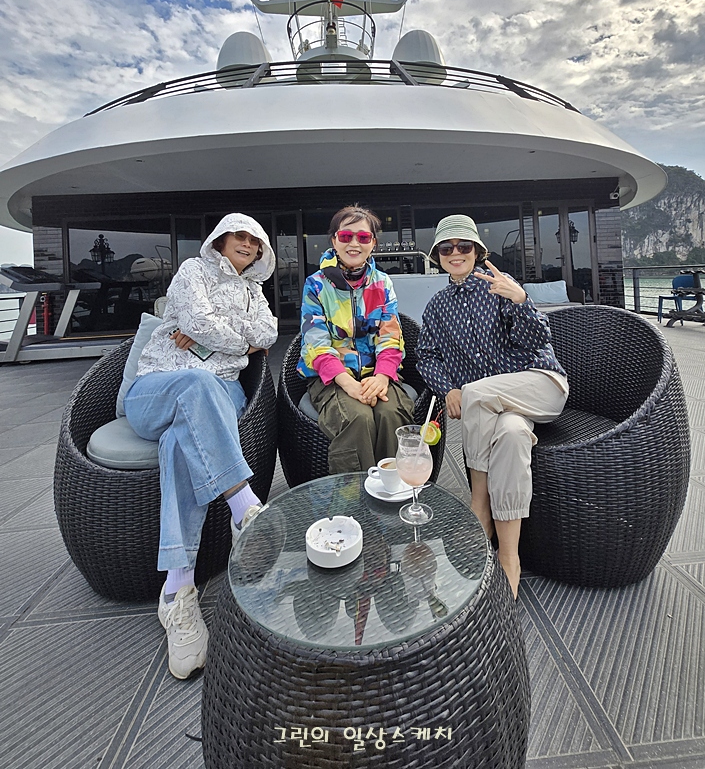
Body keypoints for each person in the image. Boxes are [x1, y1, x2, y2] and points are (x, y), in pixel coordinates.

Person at [123, 213, 278, 679]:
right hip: (159, 387)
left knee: (181, 440)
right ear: (221, 240)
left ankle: (177, 591)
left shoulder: (255, 292)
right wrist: (240, 342)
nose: (247, 245)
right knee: (196, 382)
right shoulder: (192, 271)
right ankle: (243, 505)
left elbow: (269, 333)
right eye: (239, 236)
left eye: (255, 240)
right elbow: (196, 319)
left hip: (219, 395)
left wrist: (218, 336)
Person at [416, 214, 568, 598]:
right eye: (446, 248)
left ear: (477, 251)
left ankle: (478, 508)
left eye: (463, 246)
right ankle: (509, 556)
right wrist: (447, 388)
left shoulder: (500, 286)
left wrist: (520, 300)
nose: (455, 253)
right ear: (437, 256)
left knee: (476, 392)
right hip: (500, 411)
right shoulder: (436, 307)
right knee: (512, 436)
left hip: (540, 384)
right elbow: (426, 357)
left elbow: (539, 340)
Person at [297, 205, 415, 473]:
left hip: (376, 374)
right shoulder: (316, 285)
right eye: (345, 236)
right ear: (334, 240)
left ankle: (394, 486)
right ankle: (355, 493)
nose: (354, 243)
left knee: (391, 414)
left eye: (363, 237)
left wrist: (382, 377)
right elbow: (315, 344)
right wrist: (348, 384)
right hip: (332, 378)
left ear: (373, 243)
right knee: (357, 418)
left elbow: (391, 337)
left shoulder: (382, 283)